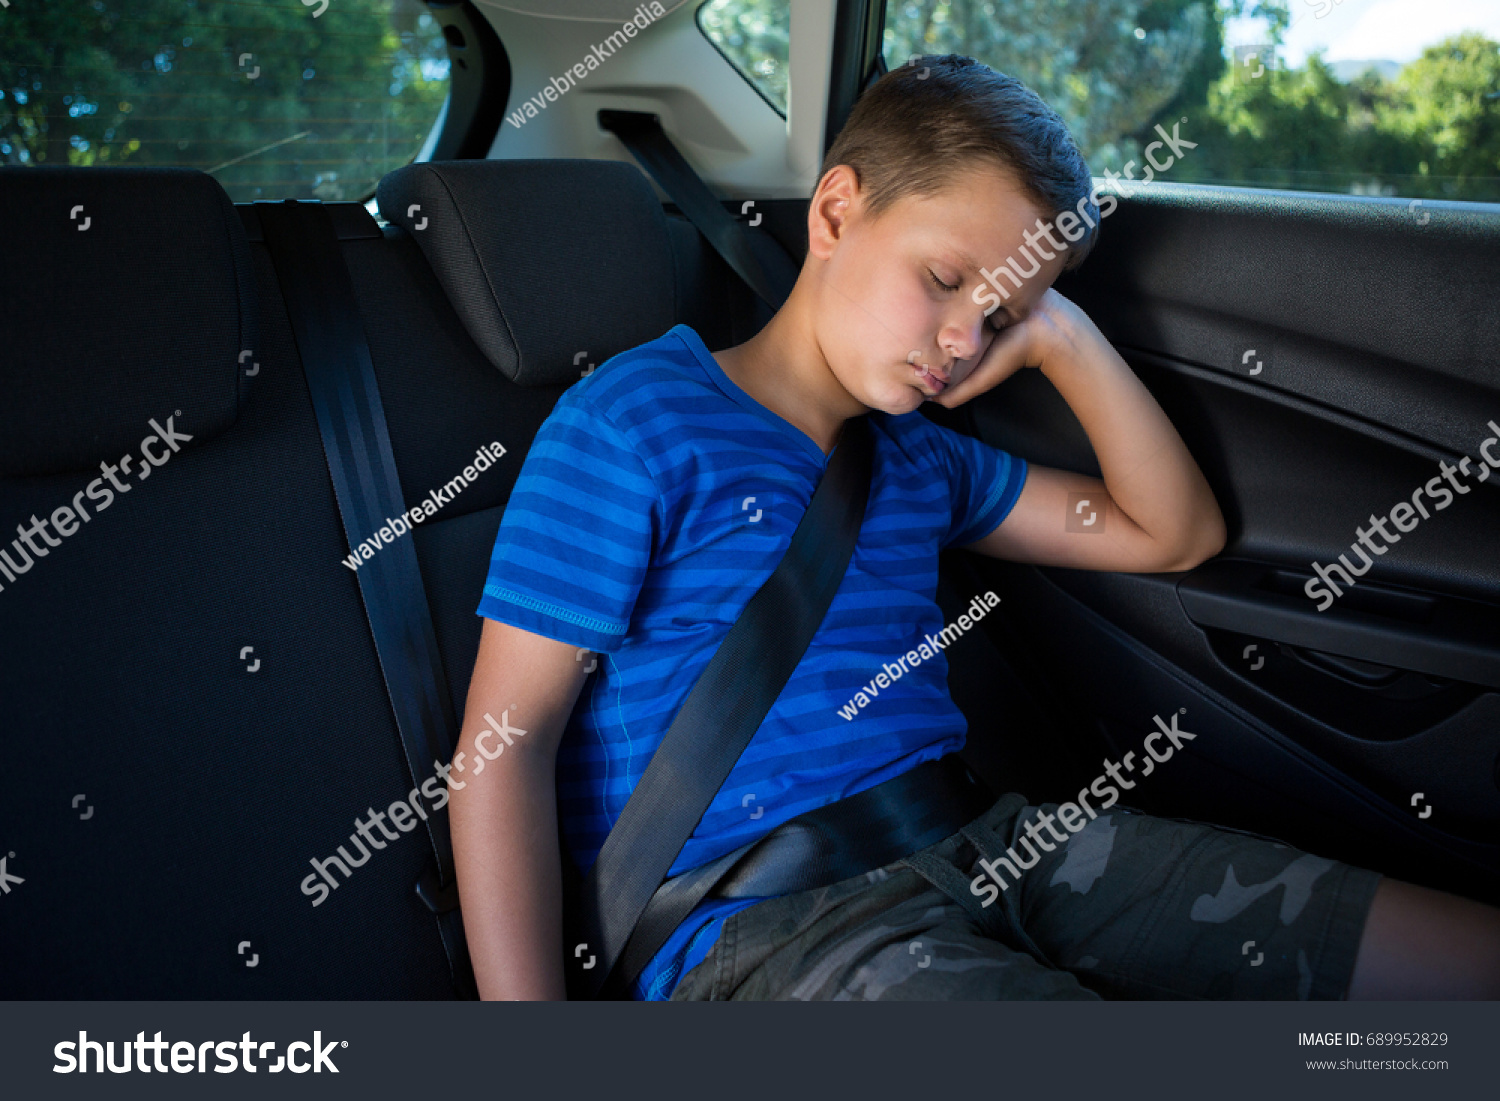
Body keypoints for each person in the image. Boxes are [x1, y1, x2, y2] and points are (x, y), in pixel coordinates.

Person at [449, 56, 1500, 1001]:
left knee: (1456, 959)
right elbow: (504, 750)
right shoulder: (633, 424)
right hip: (762, 928)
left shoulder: (921, 458)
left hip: (988, 843)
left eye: (1000, 315)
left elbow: (1171, 534)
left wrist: (1066, 340)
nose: (962, 340)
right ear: (833, 214)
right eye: (945, 281)